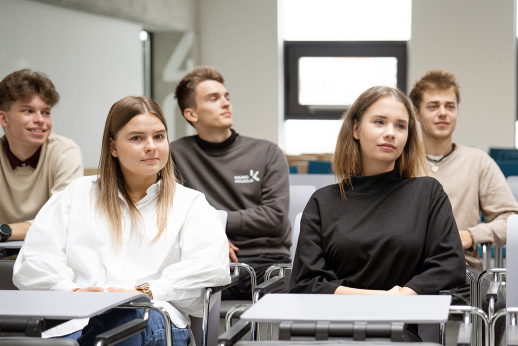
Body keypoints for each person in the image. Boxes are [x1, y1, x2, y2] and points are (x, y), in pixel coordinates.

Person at [13, 96, 231, 346]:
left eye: (159, 137)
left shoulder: (191, 204)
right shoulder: (76, 194)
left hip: (151, 319)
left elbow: (210, 269)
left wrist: (144, 293)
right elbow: (35, 261)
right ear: (113, 147)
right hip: (74, 321)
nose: (151, 146)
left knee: (128, 317)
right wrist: (73, 293)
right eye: (137, 138)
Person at [289, 86, 466, 341]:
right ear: (356, 129)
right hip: (332, 331)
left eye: (401, 126)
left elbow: (450, 264)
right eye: (379, 122)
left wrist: (401, 298)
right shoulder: (323, 201)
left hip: (398, 330)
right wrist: (381, 299)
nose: (390, 133)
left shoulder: (427, 193)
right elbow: (306, 282)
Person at [409, 70, 517, 344]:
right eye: (433, 106)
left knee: (499, 305)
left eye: (449, 106)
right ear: (417, 114)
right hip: (407, 270)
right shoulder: (401, 161)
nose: (442, 113)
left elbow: (511, 219)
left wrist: (471, 234)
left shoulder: (478, 161)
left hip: (463, 273)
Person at [170, 66, 291, 300]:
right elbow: (167, 213)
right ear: (191, 114)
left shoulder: (267, 152)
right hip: (205, 262)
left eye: (226, 97)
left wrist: (214, 222)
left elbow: (275, 218)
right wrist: (212, 238)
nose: (226, 103)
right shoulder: (174, 155)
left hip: (266, 264)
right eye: (213, 98)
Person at [0, 69, 83, 242]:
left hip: (50, 258)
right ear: (4, 119)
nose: (41, 120)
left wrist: (5, 232)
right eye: (28, 111)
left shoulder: (65, 151)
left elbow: (60, 219)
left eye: (46, 112)